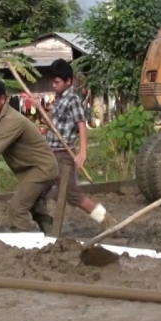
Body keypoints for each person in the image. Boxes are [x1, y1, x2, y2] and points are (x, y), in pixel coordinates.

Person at [0, 79, 60, 232]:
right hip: (32, 169)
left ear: (3, 99)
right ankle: (52, 236)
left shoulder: (12, 121)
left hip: (41, 169)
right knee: (34, 206)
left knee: (17, 208)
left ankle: (24, 245)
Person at [42, 59, 117, 231]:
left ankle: (107, 221)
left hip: (63, 154)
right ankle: (44, 225)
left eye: (57, 82)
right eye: (52, 81)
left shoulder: (72, 99)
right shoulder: (59, 100)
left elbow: (81, 124)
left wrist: (82, 152)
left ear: (68, 82)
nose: (53, 85)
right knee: (39, 188)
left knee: (73, 195)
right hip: (51, 152)